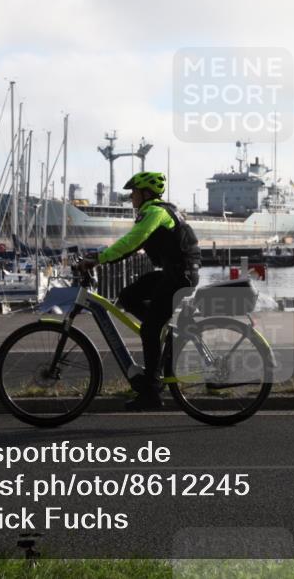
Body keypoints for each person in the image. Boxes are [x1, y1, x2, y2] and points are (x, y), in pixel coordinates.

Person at [76, 171, 200, 411]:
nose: (131, 197)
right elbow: (133, 244)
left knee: (149, 329)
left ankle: (152, 392)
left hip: (179, 275)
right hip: (174, 272)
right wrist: (99, 256)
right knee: (128, 296)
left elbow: (133, 240)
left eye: (133, 192)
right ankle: (161, 333)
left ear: (145, 193)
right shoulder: (156, 212)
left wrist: (99, 259)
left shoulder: (155, 212)